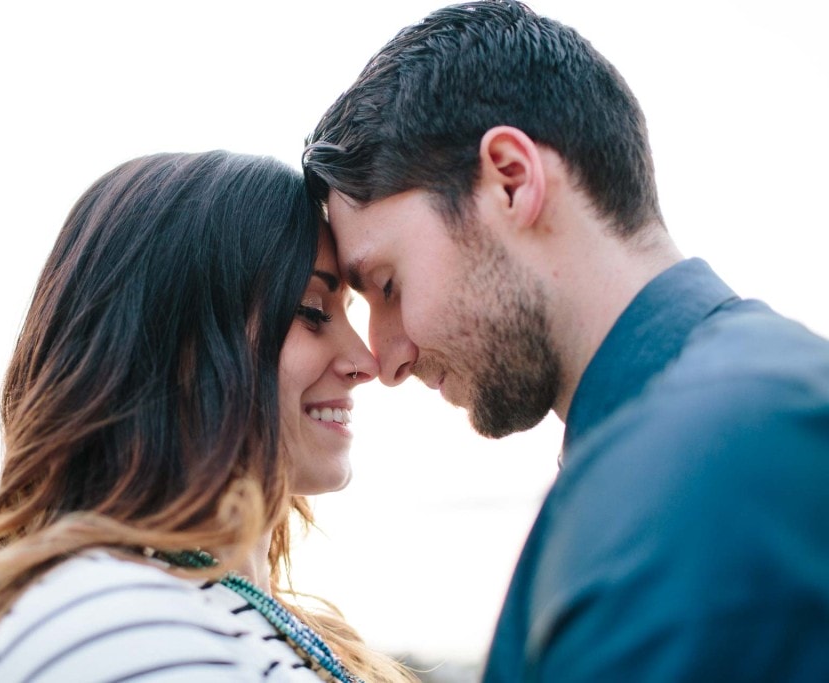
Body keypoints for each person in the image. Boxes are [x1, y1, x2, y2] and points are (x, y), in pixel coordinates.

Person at [303, 1, 829, 680]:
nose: (388, 357)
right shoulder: (754, 403)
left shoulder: (689, 478)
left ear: (512, 181)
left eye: (388, 284)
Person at [0, 151, 417, 683]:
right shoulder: (115, 625)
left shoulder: (226, 617)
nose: (365, 362)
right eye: (309, 310)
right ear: (174, 343)